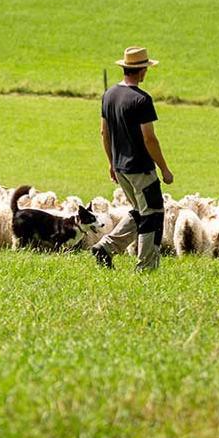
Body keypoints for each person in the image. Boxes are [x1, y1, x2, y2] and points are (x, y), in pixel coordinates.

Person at [91, 46, 173, 272]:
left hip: (120, 167)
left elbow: (103, 132)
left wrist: (111, 163)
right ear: (142, 71)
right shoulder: (142, 99)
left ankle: (105, 248)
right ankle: (145, 267)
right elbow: (149, 139)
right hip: (140, 168)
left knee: (139, 211)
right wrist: (164, 169)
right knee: (152, 215)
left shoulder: (109, 95)